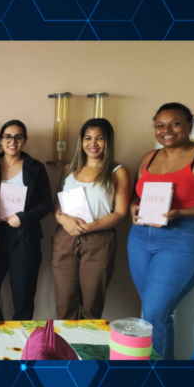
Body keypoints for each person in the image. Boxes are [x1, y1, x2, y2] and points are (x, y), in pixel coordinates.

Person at [129, 103, 194, 360]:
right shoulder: (149, 158)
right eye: (160, 125)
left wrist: (181, 213)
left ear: (190, 125)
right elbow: (137, 195)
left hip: (182, 238)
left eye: (175, 124)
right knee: (154, 313)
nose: (166, 130)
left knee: (154, 314)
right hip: (140, 238)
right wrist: (134, 207)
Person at [52, 118, 130, 320]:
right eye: (88, 138)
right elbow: (57, 204)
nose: (93, 143)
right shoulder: (69, 169)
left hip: (99, 239)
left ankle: (87, 341)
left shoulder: (117, 171)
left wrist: (89, 227)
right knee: (65, 303)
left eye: (99, 138)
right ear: (81, 141)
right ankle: (65, 341)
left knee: (92, 304)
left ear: (108, 141)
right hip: (65, 237)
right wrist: (62, 218)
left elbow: (120, 214)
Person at [0, 120, 52, 321]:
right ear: (0, 140)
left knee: (23, 297)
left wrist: (22, 218)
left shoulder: (35, 168)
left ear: (25, 140)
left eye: (18, 137)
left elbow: (46, 203)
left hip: (24, 236)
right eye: (8, 137)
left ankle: (21, 339)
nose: (12, 141)